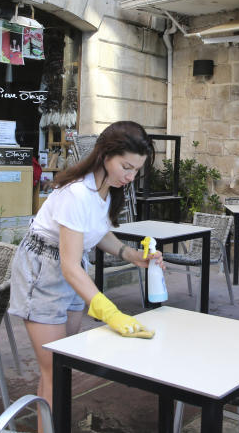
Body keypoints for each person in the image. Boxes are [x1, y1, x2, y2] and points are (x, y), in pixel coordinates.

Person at [8, 120, 163, 414]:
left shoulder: (107, 188)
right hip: (43, 271)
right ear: (105, 155)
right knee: (54, 369)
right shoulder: (77, 193)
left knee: (60, 366)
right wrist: (110, 312)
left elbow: (97, 231)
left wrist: (132, 256)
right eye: (126, 167)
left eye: (136, 170)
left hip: (72, 268)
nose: (130, 177)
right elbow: (68, 265)